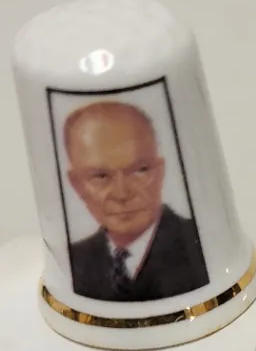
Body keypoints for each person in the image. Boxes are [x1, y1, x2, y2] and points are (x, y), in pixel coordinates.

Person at [63, 100, 209, 301]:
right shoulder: (73, 261)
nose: (122, 193)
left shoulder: (203, 244)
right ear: (76, 184)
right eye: (100, 176)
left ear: (160, 172)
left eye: (140, 170)